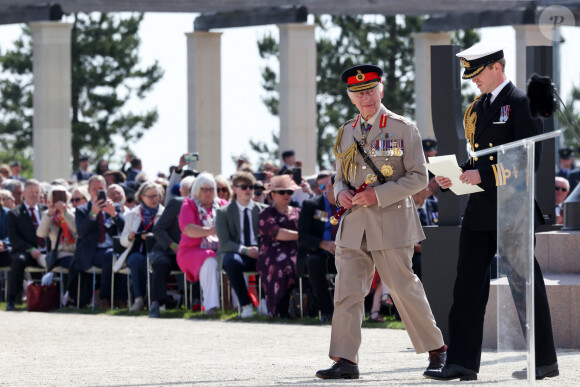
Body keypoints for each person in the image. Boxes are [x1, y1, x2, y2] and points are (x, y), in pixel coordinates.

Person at [425, 43, 558, 381]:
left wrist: (481, 175)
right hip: (482, 209)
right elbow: (482, 157)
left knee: (524, 284)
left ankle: (543, 361)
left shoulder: (521, 103)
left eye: (477, 73)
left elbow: (530, 163)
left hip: (512, 208)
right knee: (467, 285)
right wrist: (455, 174)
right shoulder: (481, 106)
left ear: (497, 67)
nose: (474, 81)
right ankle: (461, 362)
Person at [316, 64, 445, 380]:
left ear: (381, 90)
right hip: (354, 224)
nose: (366, 97)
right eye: (359, 93)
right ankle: (346, 360)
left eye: (370, 90)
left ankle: (438, 350)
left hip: (390, 221)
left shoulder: (403, 128)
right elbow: (339, 176)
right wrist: (341, 191)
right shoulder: (346, 131)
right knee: (346, 291)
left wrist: (379, 194)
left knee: (403, 288)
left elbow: (418, 177)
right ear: (351, 97)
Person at [216, 172, 267, 318]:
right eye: (244, 187)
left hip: (258, 252)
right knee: (232, 261)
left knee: (268, 257)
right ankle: (246, 306)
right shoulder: (223, 212)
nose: (248, 190)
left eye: (251, 187)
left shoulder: (263, 209)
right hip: (236, 252)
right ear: (235, 189)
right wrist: (245, 250)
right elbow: (224, 243)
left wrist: (259, 249)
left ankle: (264, 302)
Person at [73, 175, 127, 309]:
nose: (97, 192)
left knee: (119, 256)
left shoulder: (114, 207)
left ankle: (121, 298)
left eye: (100, 189)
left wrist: (114, 214)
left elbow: (125, 228)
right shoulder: (82, 210)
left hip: (112, 247)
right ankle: (105, 298)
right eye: (94, 189)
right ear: (89, 191)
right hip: (93, 251)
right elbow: (81, 232)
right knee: (111, 256)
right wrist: (92, 214)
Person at [177, 172, 226, 315]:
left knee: (234, 257)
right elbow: (188, 229)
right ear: (196, 190)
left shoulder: (222, 205)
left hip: (220, 249)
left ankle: (240, 306)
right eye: (204, 189)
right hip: (191, 251)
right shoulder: (189, 204)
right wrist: (210, 231)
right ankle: (211, 307)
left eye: (211, 189)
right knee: (210, 259)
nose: (208, 193)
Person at [257, 175, 301, 318]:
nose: (286, 195)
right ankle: (279, 309)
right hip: (272, 253)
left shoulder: (298, 212)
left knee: (302, 264)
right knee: (282, 264)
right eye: (282, 192)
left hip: (296, 251)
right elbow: (276, 233)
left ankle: (302, 308)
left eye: (289, 192)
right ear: (272, 195)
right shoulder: (265, 213)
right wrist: (300, 235)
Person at [297, 174, 338, 322]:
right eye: (339, 189)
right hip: (318, 253)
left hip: (343, 253)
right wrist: (323, 244)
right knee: (314, 262)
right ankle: (327, 312)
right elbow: (303, 237)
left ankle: (351, 312)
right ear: (329, 187)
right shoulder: (311, 206)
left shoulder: (349, 206)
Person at [119, 182, 164, 312]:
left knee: (152, 261)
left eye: (157, 195)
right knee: (135, 260)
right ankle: (138, 299)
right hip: (137, 250)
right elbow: (123, 240)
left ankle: (155, 301)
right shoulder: (132, 214)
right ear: (142, 197)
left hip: (158, 250)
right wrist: (129, 237)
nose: (155, 199)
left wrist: (153, 236)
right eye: (151, 196)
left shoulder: (165, 213)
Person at [5, 179, 48, 311]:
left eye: (37, 192)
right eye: (31, 192)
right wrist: (30, 249)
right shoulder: (14, 213)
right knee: (19, 260)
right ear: (23, 193)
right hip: (27, 252)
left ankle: (60, 299)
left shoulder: (46, 210)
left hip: (46, 252)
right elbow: (14, 239)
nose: (34, 195)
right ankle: (12, 299)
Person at [37, 186, 77, 271]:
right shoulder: (47, 214)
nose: (59, 200)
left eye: (62, 197)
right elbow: (41, 234)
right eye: (55, 198)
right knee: (73, 264)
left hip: (75, 252)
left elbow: (76, 229)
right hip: (59, 253)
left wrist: (65, 213)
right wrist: (49, 215)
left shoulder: (74, 212)